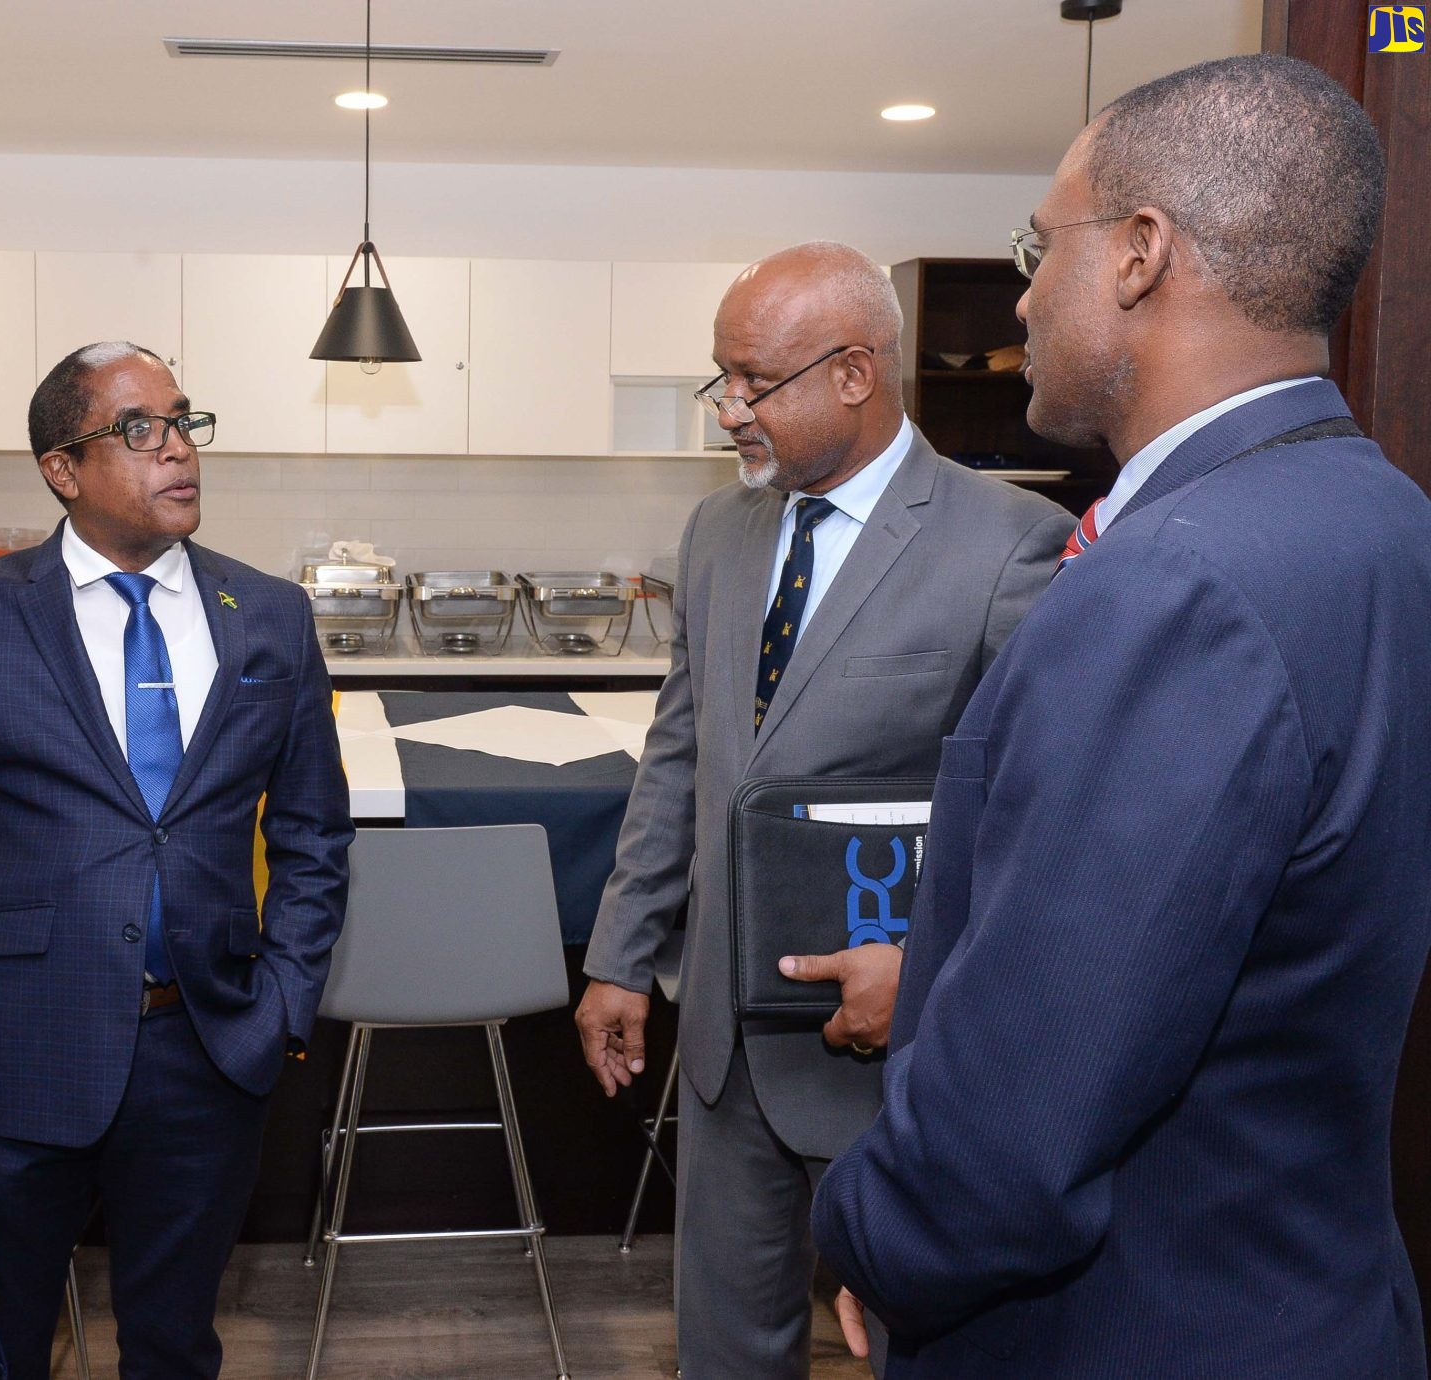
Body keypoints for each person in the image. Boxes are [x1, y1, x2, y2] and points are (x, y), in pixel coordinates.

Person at [814, 54, 1431, 1379]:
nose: (1026, 291)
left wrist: (868, 1234)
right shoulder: (1383, 521)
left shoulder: (1172, 586)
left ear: (1143, 253)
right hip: (1304, 1300)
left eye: (1044, 245)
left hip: (1134, 1327)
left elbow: (1019, 1123)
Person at [574, 241, 1073, 1377]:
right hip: (720, 1047)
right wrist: (620, 954)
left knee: (913, 1346)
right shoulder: (717, 534)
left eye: (752, 381)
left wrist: (922, 964)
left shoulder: (1008, 548)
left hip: (891, 1047)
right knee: (725, 1350)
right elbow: (682, 758)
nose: (726, 414)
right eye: (721, 379)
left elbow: (1038, 818)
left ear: (852, 372)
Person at [0, 341, 352, 1380]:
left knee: (172, 1341)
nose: (177, 451)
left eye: (183, 422)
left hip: (206, 1042)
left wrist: (283, 995)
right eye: (137, 430)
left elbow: (313, 831)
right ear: (63, 469)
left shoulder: (268, 617)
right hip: (25, 1042)